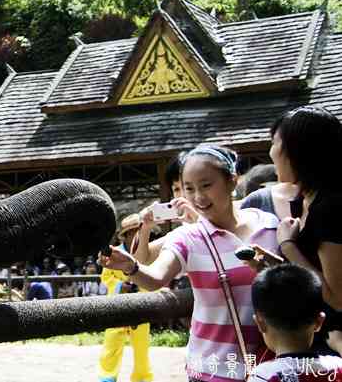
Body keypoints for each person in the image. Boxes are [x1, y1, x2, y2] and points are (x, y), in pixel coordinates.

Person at [99, 144, 280, 382]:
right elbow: (155, 278)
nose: (198, 197)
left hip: (269, 365)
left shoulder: (268, 225)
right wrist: (129, 267)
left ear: (232, 181)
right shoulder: (187, 237)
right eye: (188, 189)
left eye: (206, 185)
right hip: (209, 370)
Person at [268, 106, 342, 353]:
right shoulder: (305, 198)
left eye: (275, 143)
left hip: (333, 343)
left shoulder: (331, 206)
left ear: (299, 150)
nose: (271, 153)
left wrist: (288, 246)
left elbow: (337, 297)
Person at [247, 264, 342, 381]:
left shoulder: (263, 375)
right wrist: (339, 344)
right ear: (319, 321)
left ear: (260, 323)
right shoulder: (336, 366)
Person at [98, 214, 153, 382]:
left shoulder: (148, 252)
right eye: (135, 231)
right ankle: (107, 377)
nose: (138, 234)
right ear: (127, 234)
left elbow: (152, 276)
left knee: (141, 346)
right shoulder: (113, 253)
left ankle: (142, 378)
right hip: (117, 306)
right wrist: (121, 286)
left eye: (140, 231)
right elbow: (106, 278)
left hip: (140, 305)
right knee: (112, 343)